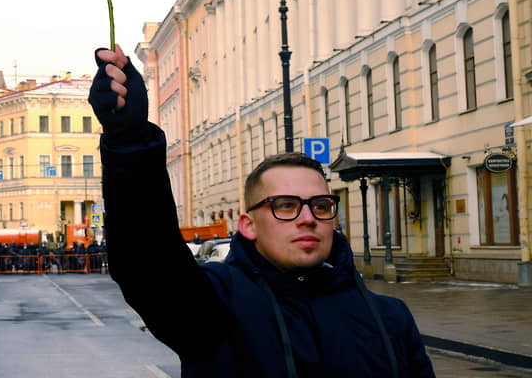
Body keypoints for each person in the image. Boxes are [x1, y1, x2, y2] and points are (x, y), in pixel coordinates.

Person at [88, 45, 435, 377]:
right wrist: (128, 139)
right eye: (285, 205)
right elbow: (147, 263)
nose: (308, 217)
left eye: (320, 205)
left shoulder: (389, 319)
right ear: (248, 224)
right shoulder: (215, 306)